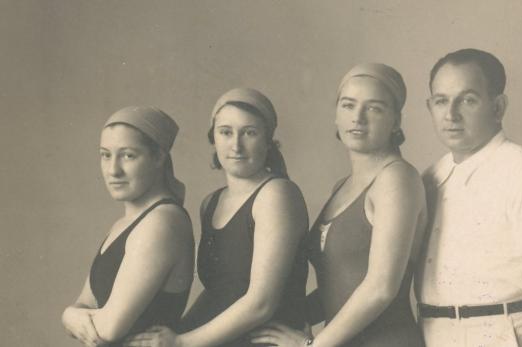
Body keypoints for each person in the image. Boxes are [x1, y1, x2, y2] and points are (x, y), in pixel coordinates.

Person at [416, 48, 522, 346]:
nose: (451, 114)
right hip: (434, 334)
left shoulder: (519, 168)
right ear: (430, 106)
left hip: (501, 333)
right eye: (441, 101)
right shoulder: (431, 177)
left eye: (468, 100)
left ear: (497, 107)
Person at [251, 63, 427, 347]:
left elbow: (381, 287)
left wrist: (312, 346)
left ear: (396, 121)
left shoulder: (396, 178)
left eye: (374, 108)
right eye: (348, 105)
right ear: (336, 115)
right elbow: (340, 284)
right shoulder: (342, 186)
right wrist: (285, 317)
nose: (357, 118)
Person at [124, 88, 309, 347]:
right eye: (225, 132)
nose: (236, 145)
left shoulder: (276, 194)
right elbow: (219, 292)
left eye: (250, 133)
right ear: (214, 139)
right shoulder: (210, 203)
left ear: (268, 141)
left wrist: (180, 342)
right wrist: (172, 334)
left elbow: (261, 303)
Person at [61, 106, 195, 347]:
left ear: (158, 157)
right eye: (105, 155)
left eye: (128, 155)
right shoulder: (123, 225)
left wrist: (69, 316)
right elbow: (85, 302)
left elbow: (109, 329)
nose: (113, 170)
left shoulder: (162, 221)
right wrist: (71, 314)